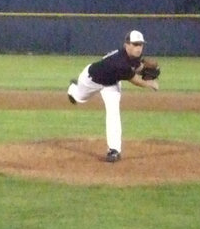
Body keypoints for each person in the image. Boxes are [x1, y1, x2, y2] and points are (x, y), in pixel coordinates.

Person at [66, 29, 159, 162]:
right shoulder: (120, 61)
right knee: (79, 98)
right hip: (91, 79)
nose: (138, 48)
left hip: (111, 84)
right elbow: (134, 80)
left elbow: (137, 66)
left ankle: (114, 150)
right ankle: (72, 89)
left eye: (141, 44)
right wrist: (150, 84)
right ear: (127, 45)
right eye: (135, 44)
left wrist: (144, 68)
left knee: (113, 112)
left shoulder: (133, 56)